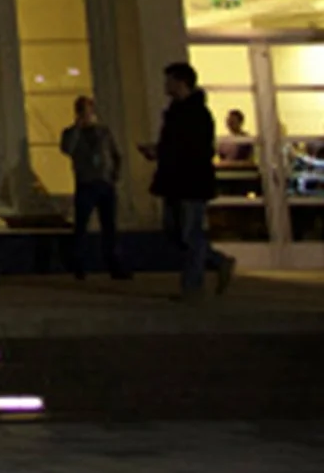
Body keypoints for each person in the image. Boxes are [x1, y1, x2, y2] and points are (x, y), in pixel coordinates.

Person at [141, 61, 237, 300]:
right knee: (174, 231)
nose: (166, 85)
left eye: (169, 80)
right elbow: (174, 144)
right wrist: (159, 151)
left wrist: (163, 152)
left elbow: (196, 149)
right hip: (173, 181)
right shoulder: (175, 112)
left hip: (191, 182)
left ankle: (192, 287)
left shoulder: (197, 114)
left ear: (181, 82)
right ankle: (218, 261)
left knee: (190, 233)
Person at [59, 93, 130, 280]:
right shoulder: (71, 133)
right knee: (82, 225)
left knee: (110, 226)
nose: (87, 115)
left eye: (89, 111)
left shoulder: (103, 132)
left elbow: (115, 153)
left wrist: (114, 174)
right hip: (86, 183)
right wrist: (77, 127)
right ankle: (79, 264)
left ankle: (113, 263)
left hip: (104, 182)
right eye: (83, 111)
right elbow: (67, 149)